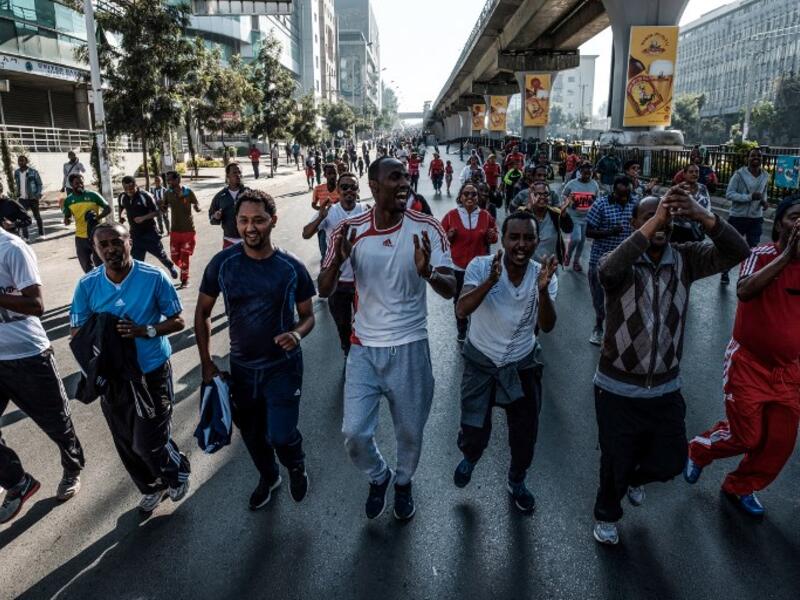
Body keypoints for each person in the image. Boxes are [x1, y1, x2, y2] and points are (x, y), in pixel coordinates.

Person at [591, 189, 751, 546]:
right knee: (615, 460)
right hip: (616, 388)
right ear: (637, 223)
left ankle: (636, 478)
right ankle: (607, 515)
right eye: (650, 216)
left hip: (665, 389)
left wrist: (700, 214)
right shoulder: (623, 260)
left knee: (672, 461)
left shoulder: (685, 259)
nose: (662, 222)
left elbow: (738, 252)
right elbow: (606, 271)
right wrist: (652, 224)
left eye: (666, 217)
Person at [318, 156, 456, 521]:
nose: (404, 183)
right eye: (394, 178)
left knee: (410, 432)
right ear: (374, 186)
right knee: (354, 433)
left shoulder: (427, 227)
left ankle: (403, 482)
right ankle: (379, 476)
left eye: (406, 177)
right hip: (364, 348)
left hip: (410, 345)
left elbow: (450, 288)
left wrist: (427, 272)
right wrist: (339, 261)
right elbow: (324, 288)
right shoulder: (348, 229)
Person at [196, 190, 315, 510]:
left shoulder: (292, 267)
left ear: (272, 221)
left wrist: (296, 333)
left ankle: (295, 463)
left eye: (258, 220)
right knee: (251, 434)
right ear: (236, 222)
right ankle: (269, 476)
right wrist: (206, 363)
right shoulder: (222, 264)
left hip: (283, 367)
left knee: (280, 433)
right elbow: (203, 312)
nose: (250, 227)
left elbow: (308, 316)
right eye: (244, 220)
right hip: (243, 369)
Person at [685, 197, 800, 517]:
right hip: (748, 364)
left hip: (788, 372)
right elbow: (745, 289)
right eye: (794, 218)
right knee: (746, 436)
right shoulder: (761, 255)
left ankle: (741, 485)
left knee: (780, 441)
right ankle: (699, 449)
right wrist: (788, 254)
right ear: (779, 224)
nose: (799, 224)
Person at [70, 222, 191, 513]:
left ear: (129, 241)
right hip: (114, 377)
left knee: (147, 441)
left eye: (117, 242)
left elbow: (177, 320)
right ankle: (152, 486)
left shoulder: (153, 277)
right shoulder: (87, 285)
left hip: (151, 372)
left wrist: (144, 331)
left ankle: (177, 472)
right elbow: (77, 334)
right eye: (103, 245)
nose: (111, 249)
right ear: (95, 250)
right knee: (125, 440)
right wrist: (102, 344)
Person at [453, 212, 558, 511]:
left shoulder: (542, 274)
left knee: (525, 434)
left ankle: (517, 480)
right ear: (503, 238)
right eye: (515, 237)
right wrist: (490, 281)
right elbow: (462, 310)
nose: (521, 244)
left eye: (528, 238)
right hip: (480, 363)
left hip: (522, 365)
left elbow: (548, 326)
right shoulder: (480, 265)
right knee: (474, 431)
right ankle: (470, 457)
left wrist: (542, 291)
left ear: (537, 240)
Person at [0, 226, 85, 523]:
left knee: (58, 424)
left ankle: (72, 468)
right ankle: (17, 482)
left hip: (28, 356)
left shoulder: (12, 248)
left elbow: (36, 305)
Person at [303, 173, 366, 355]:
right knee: (343, 324)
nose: (348, 191)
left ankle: (364, 357)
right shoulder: (330, 211)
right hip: (337, 281)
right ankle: (348, 351)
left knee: (366, 324)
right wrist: (320, 217)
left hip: (363, 282)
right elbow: (306, 234)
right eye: (344, 187)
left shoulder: (366, 209)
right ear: (338, 190)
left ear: (357, 190)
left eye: (352, 187)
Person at [441, 182, 498, 343]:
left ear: (478, 197)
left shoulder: (485, 216)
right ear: (460, 197)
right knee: (460, 299)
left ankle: (478, 331)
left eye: (474, 194)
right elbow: (439, 239)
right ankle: (462, 329)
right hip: (458, 267)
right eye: (466, 194)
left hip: (480, 268)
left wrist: (491, 236)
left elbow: (494, 238)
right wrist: (448, 237)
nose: (470, 197)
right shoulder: (451, 215)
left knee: (481, 299)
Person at [585, 176, 636, 345]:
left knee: (625, 298)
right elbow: (589, 232)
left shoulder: (635, 203)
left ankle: (620, 331)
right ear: (613, 191)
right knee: (599, 298)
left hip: (626, 260)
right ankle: (598, 326)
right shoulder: (600, 205)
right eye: (621, 195)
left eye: (627, 195)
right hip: (600, 259)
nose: (624, 199)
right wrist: (610, 232)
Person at [721, 147, 769, 285]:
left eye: (759, 156)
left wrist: (764, 202)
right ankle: (725, 271)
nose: (756, 158)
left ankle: (748, 275)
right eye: (753, 156)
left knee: (753, 249)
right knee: (733, 246)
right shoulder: (739, 175)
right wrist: (749, 197)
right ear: (747, 158)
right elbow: (729, 194)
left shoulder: (765, 175)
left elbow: (763, 193)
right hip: (738, 217)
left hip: (756, 218)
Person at [117, 176, 178, 279]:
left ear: (135, 185)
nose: (129, 191)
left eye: (131, 188)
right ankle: (137, 280)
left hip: (150, 233)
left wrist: (143, 218)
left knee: (161, 255)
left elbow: (157, 212)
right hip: (135, 235)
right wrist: (121, 216)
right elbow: (121, 207)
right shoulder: (123, 197)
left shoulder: (145, 196)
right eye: (126, 189)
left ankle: (170, 266)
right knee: (136, 261)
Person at [63, 174, 110, 273]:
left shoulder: (93, 195)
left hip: (95, 235)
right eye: (77, 183)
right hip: (80, 238)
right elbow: (67, 217)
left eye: (81, 183)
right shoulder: (68, 200)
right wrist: (67, 220)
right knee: (86, 267)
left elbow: (108, 208)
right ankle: (94, 285)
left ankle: (106, 284)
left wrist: (98, 217)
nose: (80, 185)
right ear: (71, 185)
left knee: (101, 265)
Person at [161, 171, 201, 288]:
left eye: (171, 180)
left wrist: (197, 208)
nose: (169, 182)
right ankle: (184, 268)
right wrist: (162, 207)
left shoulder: (188, 192)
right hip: (175, 231)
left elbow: (196, 203)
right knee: (174, 257)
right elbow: (164, 207)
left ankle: (185, 279)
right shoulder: (168, 193)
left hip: (188, 230)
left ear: (178, 179)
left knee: (184, 256)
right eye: (167, 180)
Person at [561, 161, 601, 273]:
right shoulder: (572, 184)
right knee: (576, 238)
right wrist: (569, 202)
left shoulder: (594, 185)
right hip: (574, 216)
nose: (587, 173)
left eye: (589, 171)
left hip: (587, 217)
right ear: (580, 171)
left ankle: (576, 262)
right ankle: (568, 255)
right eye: (585, 171)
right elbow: (563, 195)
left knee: (582, 241)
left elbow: (598, 199)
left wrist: (594, 201)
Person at [524, 181, 573, 267]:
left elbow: (568, 229)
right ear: (531, 196)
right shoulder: (523, 213)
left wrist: (564, 214)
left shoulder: (555, 213)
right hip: (527, 266)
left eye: (546, 194)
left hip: (550, 267)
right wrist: (530, 209)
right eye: (538, 194)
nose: (542, 197)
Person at [210, 163, 248, 249]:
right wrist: (216, 217)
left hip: (247, 240)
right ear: (228, 175)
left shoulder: (249, 193)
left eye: (239, 172)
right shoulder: (220, 196)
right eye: (234, 172)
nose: (238, 175)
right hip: (229, 241)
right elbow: (212, 220)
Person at [671, 163, 711, 243]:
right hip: (680, 232)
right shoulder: (678, 189)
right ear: (684, 174)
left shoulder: (703, 188)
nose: (694, 174)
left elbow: (708, 206)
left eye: (697, 172)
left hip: (699, 231)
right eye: (691, 172)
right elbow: (672, 210)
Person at [311, 164, 340, 258]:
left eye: (334, 173)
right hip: (324, 221)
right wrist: (323, 209)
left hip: (339, 220)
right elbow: (313, 204)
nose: (332, 176)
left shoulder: (342, 188)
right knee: (324, 251)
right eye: (329, 173)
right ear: (325, 175)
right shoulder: (318, 188)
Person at [14, 156, 44, 239]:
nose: (20, 162)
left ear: (26, 161)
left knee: (37, 216)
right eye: (19, 161)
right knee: (23, 218)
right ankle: (26, 237)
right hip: (22, 199)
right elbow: (18, 184)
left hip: (33, 198)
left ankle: (41, 234)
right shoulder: (16, 172)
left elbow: (39, 184)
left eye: (22, 161)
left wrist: (38, 194)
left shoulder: (33, 172)